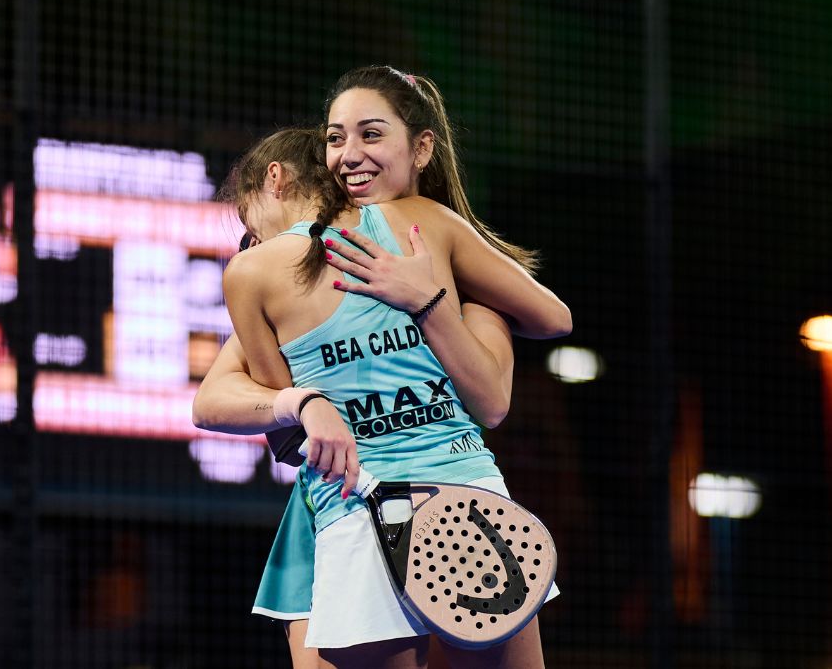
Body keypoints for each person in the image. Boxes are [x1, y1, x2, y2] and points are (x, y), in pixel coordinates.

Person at [193, 66, 570, 667]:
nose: (350, 154)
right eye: (336, 138)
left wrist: (427, 302)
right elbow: (548, 321)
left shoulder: (257, 272)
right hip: (467, 497)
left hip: (362, 508)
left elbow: (284, 440)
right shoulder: (427, 225)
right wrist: (449, 302)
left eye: (370, 134)